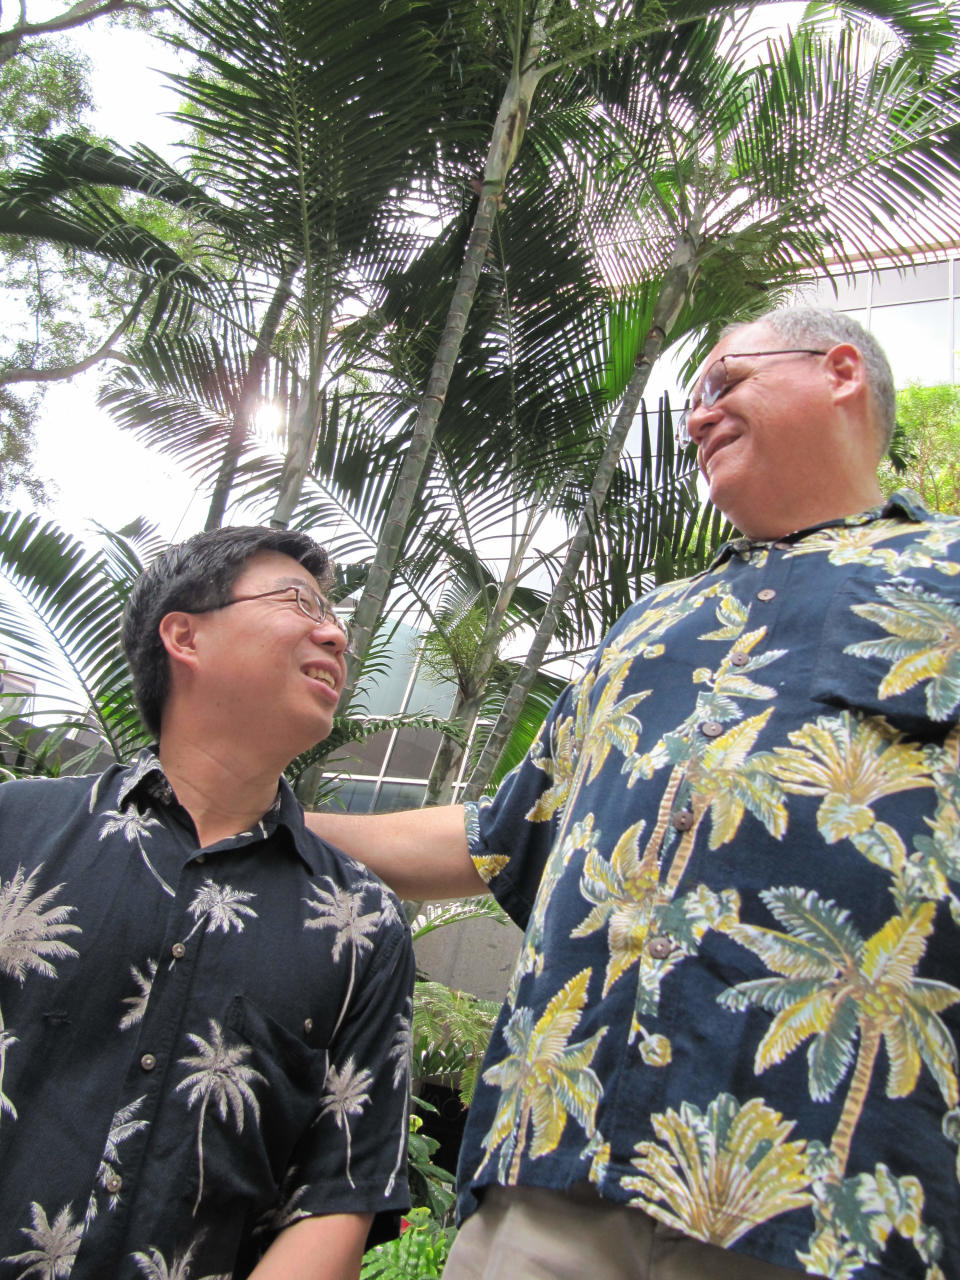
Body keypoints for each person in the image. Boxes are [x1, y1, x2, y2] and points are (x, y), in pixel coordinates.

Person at [307, 307, 960, 1279]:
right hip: (548, 1185)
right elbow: (494, 841)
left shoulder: (945, 578)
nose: (695, 419)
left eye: (721, 384)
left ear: (839, 371)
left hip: (827, 1201)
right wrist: (272, 822)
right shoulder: (650, 622)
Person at [0, 527, 414, 1280]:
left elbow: (336, 1200)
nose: (337, 633)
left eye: (336, 615)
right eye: (301, 602)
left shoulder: (365, 924)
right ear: (184, 636)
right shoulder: (13, 832)